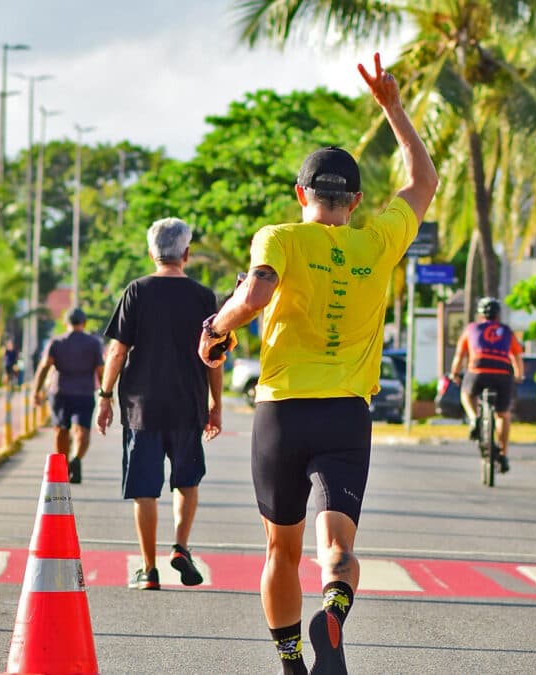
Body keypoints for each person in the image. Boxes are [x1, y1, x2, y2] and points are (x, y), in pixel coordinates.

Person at [198, 53, 437, 675]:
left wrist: (215, 329)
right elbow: (423, 181)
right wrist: (391, 107)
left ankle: (290, 661)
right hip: (345, 415)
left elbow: (253, 296)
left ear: (301, 194)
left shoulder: (279, 236)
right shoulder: (379, 239)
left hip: (281, 412)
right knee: (338, 550)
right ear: (355, 200)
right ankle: (333, 607)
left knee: (281, 549)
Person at [96, 217, 224, 592]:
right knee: (186, 481)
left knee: (145, 489)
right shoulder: (203, 297)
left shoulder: (137, 291)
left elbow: (118, 350)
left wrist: (105, 397)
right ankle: (181, 546)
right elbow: (213, 356)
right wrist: (215, 404)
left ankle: (148, 570)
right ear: (185, 253)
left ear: (151, 252)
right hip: (188, 405)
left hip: (142, 408)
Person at [448, 296, 525, 473]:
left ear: (480, 315)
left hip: (478, 370)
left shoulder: (471, 329)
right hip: (502, 373)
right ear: (498, 315)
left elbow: (459, 356)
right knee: (503, 415)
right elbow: (516, 357)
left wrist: (454, 373)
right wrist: (519, 375)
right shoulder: (506, 331)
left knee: (466, 394)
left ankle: (474, 418)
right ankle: (503, 454)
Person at [31, 308, 104, 484]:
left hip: (60, 392)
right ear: (84, 323)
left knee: (61, 429)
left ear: (66, 323)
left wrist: (36, 390)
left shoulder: (57, 342)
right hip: (85, 392)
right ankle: (77, 458)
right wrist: (105, 393)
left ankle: (64, 466)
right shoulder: (94, 343)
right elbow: (101, 370)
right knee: (83, 430)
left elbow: (44, 367)